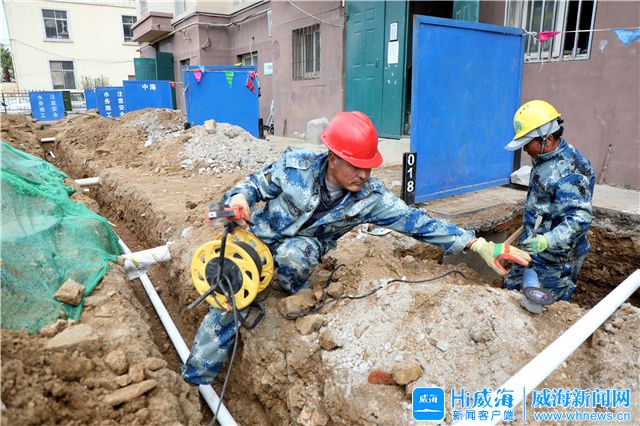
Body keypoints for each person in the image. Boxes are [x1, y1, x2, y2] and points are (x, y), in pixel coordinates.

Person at [181, 111, 531, 385]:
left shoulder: (370, 198)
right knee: (224, 302)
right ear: (333, 158)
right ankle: (197, 378)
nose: (364, 174)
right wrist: (240, 199)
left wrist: (475, 243)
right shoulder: (294, 165)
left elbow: (416, 222)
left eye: (369, 167)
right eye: (356, 166)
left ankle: (286, 287)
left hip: (299, 251)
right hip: (254, 243)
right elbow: (253, 186)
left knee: (295, 255)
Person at [503, 100, 595, 301]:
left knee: (543, 306)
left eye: (528, 143)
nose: (525, 150)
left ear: (548, 138)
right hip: (532, 246)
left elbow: (579, 219)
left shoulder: (570, 172)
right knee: (510, 293)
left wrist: (547, 240)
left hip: (556, 258)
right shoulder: (545, 157)